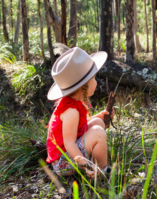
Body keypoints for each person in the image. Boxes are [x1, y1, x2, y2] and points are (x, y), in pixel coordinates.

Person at [45, 47, 110, 177]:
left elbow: (78, 127)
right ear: (85, 86)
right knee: (98, 133)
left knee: (98, 122)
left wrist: (98, 116)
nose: (96, 82)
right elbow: (69, 143)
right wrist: (86, 164)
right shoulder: (71, 111)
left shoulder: (74, 102)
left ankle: (96, 160)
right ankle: (101, 172)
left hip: (69, 154)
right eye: (94, 78)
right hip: (63, 163)